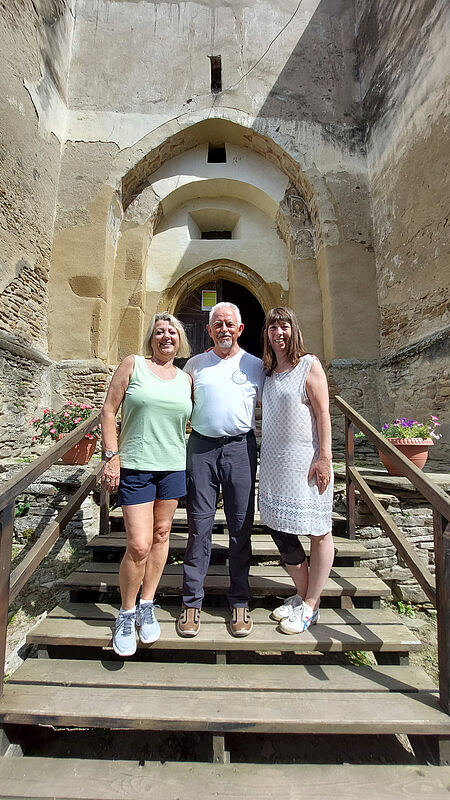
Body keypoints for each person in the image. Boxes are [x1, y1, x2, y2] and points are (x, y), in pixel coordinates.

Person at [100, 312, 192, 656]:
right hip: (136, 467)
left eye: (172, 332)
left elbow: (192, 423)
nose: (166, 336)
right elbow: (108, 410)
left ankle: (147, 604)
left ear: (180, 341)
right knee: (138, 545)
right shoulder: (132, 364)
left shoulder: (186, 380)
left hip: (171, 468)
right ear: (151, 338)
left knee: (161, 536)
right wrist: (111, 456)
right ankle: (126, 612)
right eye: (159, 332)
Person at [177, 302, 265, 638]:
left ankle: (240, 600)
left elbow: (276, 406)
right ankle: (191, 603)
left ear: (240, 329)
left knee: (241, 527)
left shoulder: (255, 366)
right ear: (210, 330)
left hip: (241, 448)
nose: (224, 329)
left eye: (230, 324)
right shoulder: (195, 365)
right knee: (199, 526)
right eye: (218, 324)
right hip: (201, 448)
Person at [258, 307, 334, 634]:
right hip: (276, 466)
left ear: (293, 330)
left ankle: (312, 604)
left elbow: (323, 412)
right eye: (273, 327)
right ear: (267, 335)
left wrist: (325, 457)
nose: (279, 332)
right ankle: (302, 596)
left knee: (318, 530)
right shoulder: (269, 372)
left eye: (284, 325)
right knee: (280, 528)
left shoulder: (309, 365)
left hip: (307, 462)